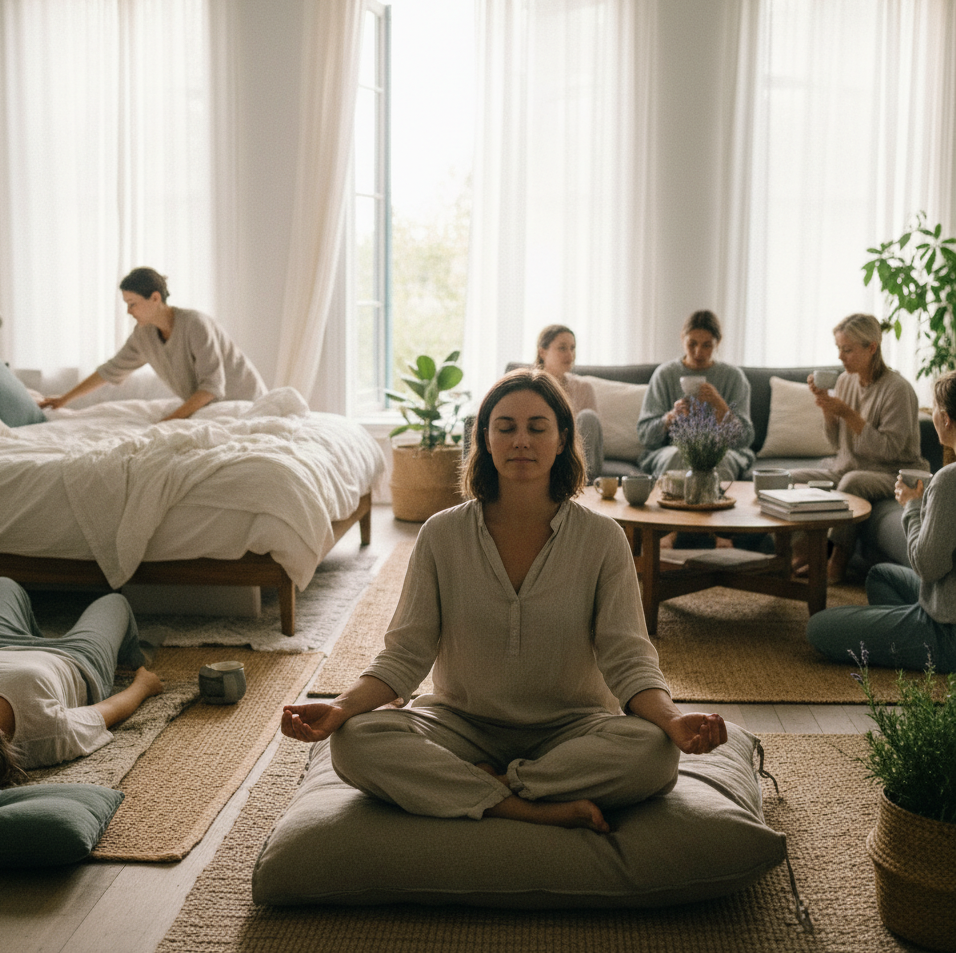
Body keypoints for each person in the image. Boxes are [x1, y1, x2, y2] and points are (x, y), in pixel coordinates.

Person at [282, 368, 727, 834]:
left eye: (537, 427)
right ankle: (527, 805)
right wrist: (339, 708)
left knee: (654, 754)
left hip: (572, 730)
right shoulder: (441, 534)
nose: (521, 441)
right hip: (459, 724)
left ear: (561, 440)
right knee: (354, 740)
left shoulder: (603, 539)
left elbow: (629, 657)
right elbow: (405, 654)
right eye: (506, 427)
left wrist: (673, 722)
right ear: (485, 440)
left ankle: (490, 788)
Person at [0, 578, 163, 788]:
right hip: (75, 660)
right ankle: (135, 657)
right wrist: (143, 686)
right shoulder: (49, 733)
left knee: (1, 584)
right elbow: (107, 711)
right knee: (115, 602)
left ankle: (30, 633)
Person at [806, 371, 956, 672]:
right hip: (945, 600)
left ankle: (926, 647)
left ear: (946, 418)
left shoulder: (949, 480)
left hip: (946, 629)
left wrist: (912, 506)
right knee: (881, 576)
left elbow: (927, 567)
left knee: (817, 628)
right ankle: (903, 637)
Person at [791, 313, 929, 583]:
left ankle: (837, 560)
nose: (841, 357)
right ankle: (796, 552)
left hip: (894, 471)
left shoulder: (897, 389)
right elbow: (835, 444)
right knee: (792, 479)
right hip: (849, 467)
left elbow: (890, 449)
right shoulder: (844, 381)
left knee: (852, 481)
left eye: (848, 349)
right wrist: (827, 407)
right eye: (839, 349)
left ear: (872, 348)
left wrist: (848, 413)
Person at [39, 267, 267, 421]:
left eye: (133, 303)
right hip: (211, 411)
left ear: (155, 298)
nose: (129, 311)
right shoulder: (143, 334)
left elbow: (212, 388)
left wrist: (171, 420)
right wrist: (64, 399)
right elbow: (111, 370)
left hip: (246, 406)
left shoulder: (196, 324)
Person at [636, 310, 755, 482]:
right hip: (672, 449)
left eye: (706, 345)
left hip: (722, 449)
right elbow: (644, 435)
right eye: (692, 344)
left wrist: (720, 405)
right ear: (682, 338)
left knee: (718, 459)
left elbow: (745, 439)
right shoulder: (664, 375)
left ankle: (716, 506)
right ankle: (672, 506)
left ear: (718, 342)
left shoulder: (734, 378)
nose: (698, 352)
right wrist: (670, 417)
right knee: (677, 456)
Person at [536, 324, 604, 481]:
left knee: (588, 417)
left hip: (579, 459)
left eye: (572, 348)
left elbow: (592, 435)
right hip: (548, 450)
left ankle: (582, 483)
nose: (570, 354)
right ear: (542, 352)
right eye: (562, 348)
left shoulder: (584, 388)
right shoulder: (531, 389)